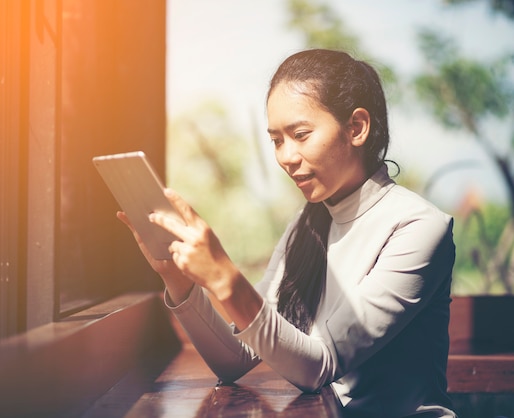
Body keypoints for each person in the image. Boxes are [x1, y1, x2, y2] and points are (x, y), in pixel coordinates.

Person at [118, 49, 457, 418]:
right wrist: (177, 277)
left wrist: (226, 279)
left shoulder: (418, 227)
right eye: (277, 140)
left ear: (357, 128)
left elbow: (320, 366)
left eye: (300, 134)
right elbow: (237, 358)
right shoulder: (307, 224)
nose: (286, 157)